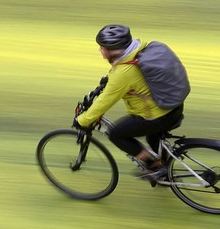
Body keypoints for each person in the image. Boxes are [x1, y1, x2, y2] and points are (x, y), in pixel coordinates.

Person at [73, 24, 184, 181]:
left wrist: (83, 120)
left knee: (116, 134)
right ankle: (165, 170)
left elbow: (105, 101)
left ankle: (155, 167)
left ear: (114, 50)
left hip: (156, 116)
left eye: (102, 48)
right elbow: (125, 78)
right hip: (174, 106)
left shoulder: (124, 73)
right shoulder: (140, 49)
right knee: (153, 138)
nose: (100, 51)